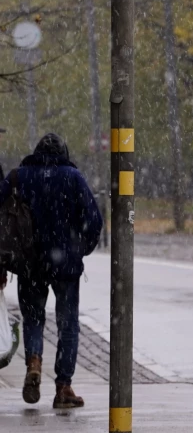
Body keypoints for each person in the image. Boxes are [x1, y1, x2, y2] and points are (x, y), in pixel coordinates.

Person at [0, 133, 103, 408]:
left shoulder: (18, 177)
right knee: (67, 325)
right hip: (65, 264)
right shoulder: (73, 177)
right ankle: (63, 387)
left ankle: (33, 361)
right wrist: (80, 249)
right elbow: (94, 220)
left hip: (29, 262)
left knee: (33, 319)